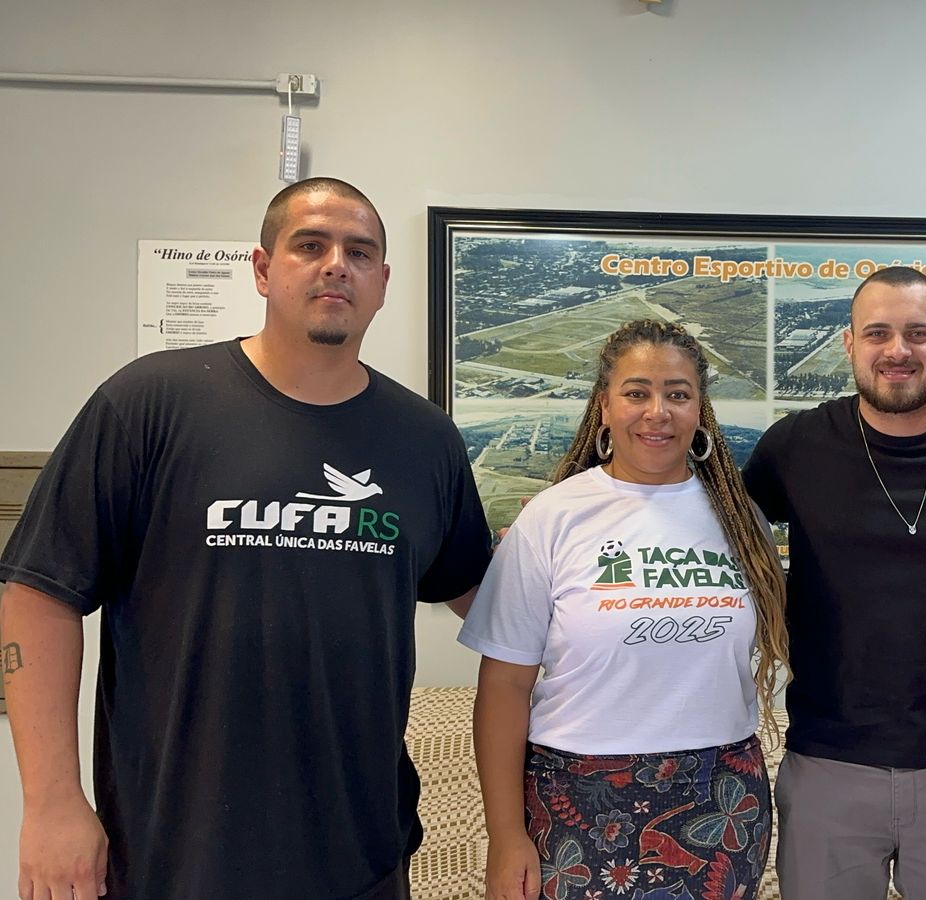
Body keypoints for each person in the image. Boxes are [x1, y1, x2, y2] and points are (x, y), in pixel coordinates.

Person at [0, 177, 492, 900]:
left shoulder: (425, 440)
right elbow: (39, 590)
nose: (335, 265)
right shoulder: (149, 403)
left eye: (359, 252)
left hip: (360, 858)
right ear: (263, 268)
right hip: (171, 852)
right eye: (310, 245)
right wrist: (50, 804)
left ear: (382, 282)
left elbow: (478, 594)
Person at [741, 266, 926, 900]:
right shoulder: (794, 445)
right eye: (877, 332)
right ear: (850, 344)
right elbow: (728, 544)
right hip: (828, 757)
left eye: (918, 333)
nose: (898, 350)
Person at [462, 319, 788, 900]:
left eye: (678, 394)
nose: (657, 411)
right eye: (637, 392)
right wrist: (506, 835)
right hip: (578, 798)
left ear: (699, 410)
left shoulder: (742, 520)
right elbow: (505, 688)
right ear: (605, 407)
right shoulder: (552, 517)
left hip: (720, 798)